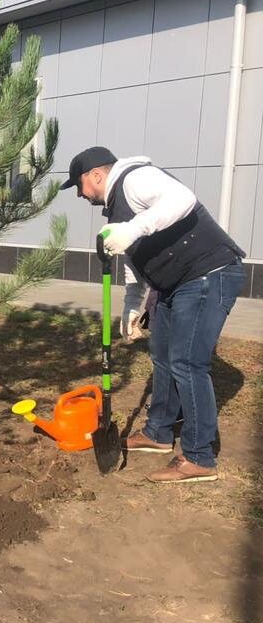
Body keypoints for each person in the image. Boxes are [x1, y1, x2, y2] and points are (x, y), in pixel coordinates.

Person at [63, 146, 245, 484]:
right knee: (162, 356)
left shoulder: (136, 178)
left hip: (208, 273)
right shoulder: (115, 209)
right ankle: (158, 432)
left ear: (96, 175)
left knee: (188, 363)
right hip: (172, 284)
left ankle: (199, 457)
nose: (78, 193)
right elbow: (136, 262)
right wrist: (133, 304)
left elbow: (182, 199)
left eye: (78, 184)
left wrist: (134, 229)